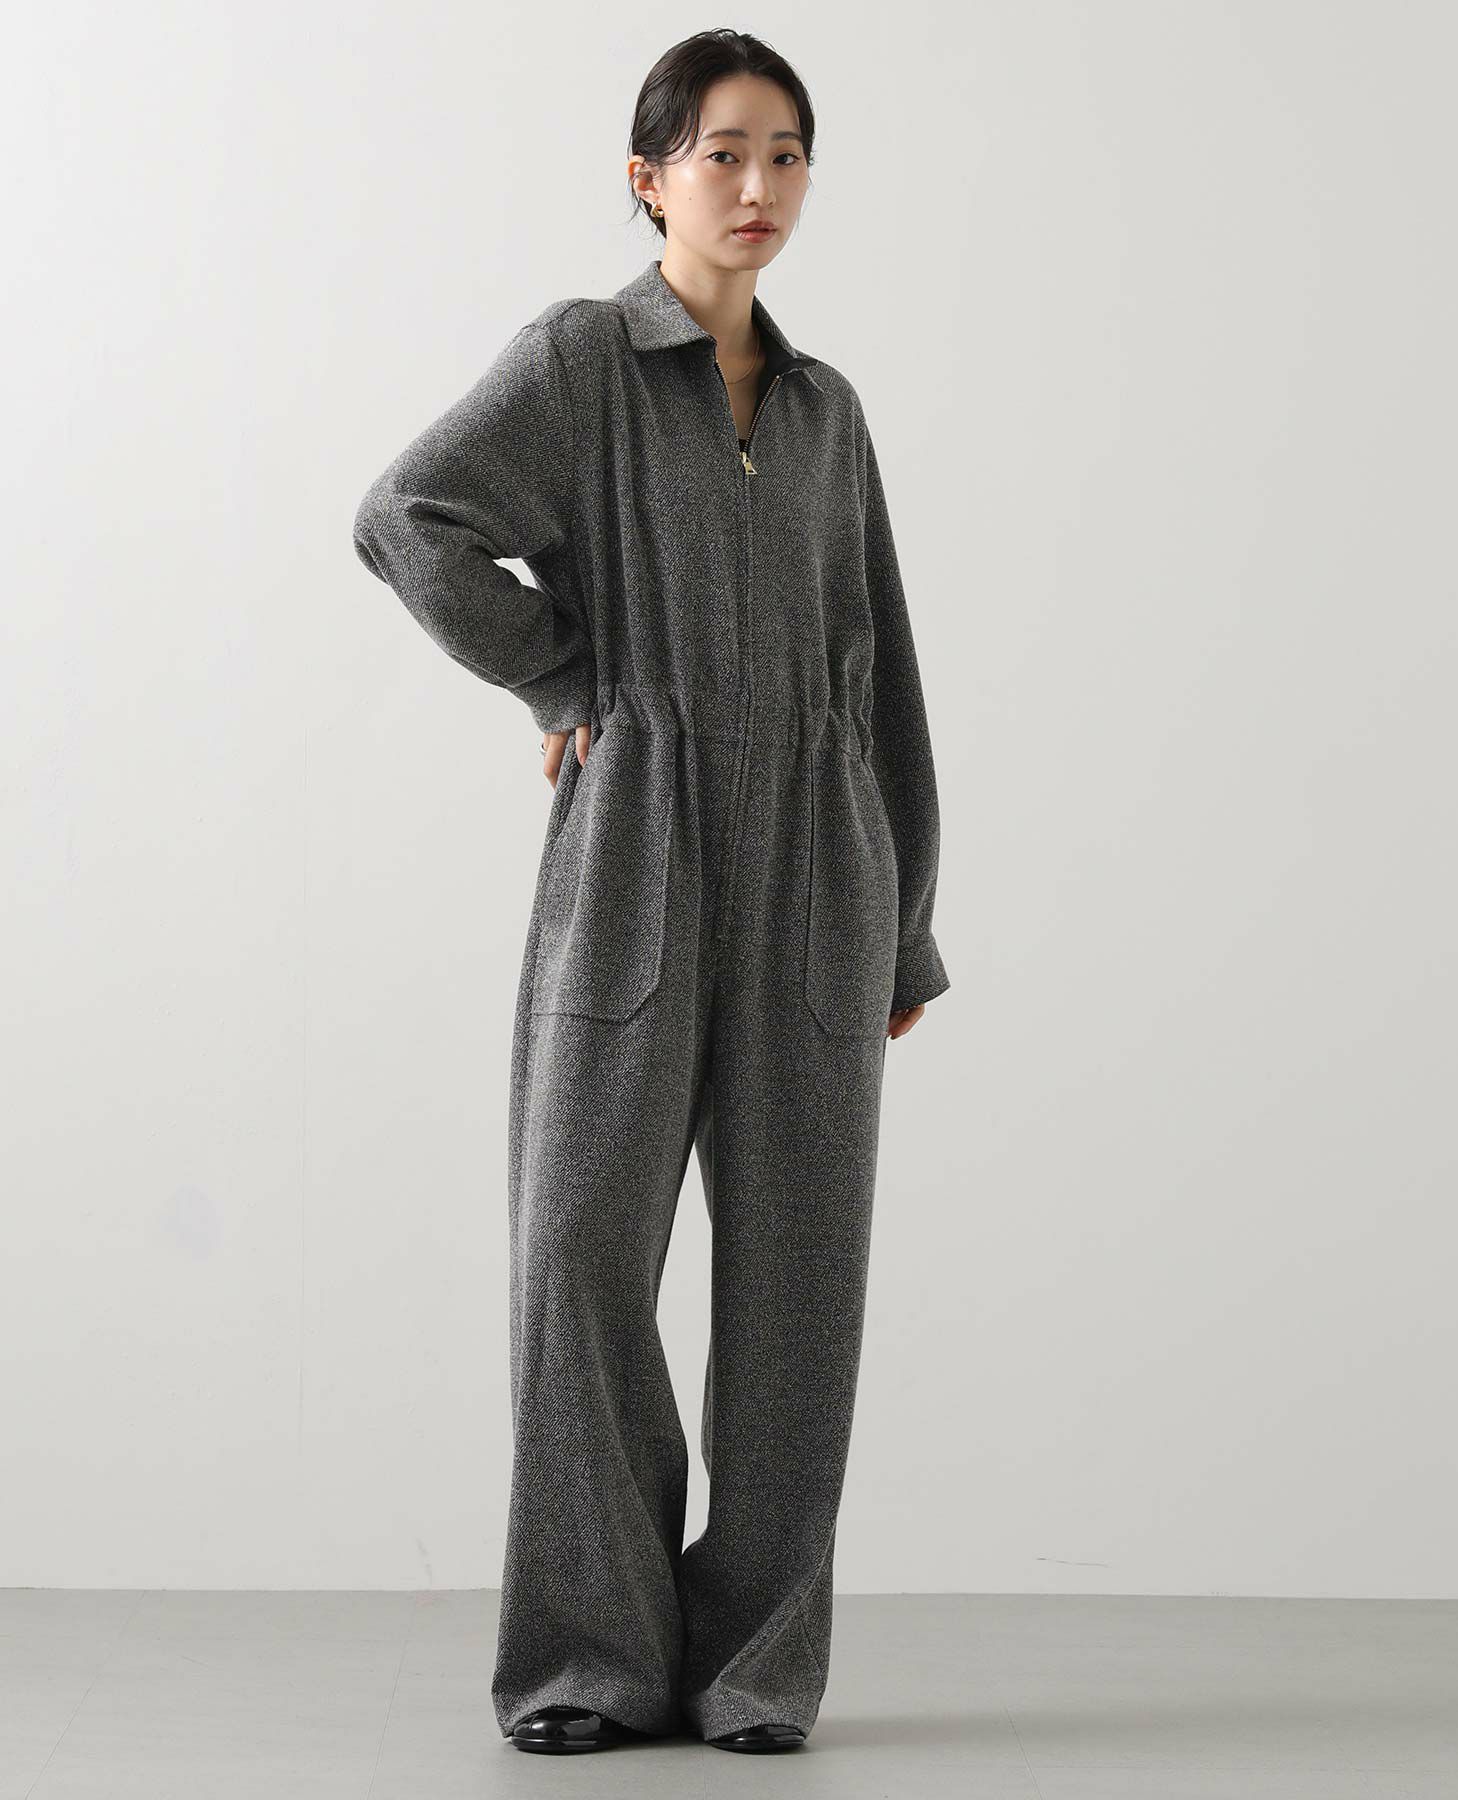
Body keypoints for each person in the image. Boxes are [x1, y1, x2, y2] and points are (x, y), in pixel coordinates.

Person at [351, 28, 950, 1758]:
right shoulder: (582, 362)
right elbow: (406, 518)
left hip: (821, 867)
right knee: (579, 1252)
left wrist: (908, 918)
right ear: (649, 177)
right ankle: (589, 1658)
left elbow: (885, 679)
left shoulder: (829, 413)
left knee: (797, 1284)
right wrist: (562, 677)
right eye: (721, 154)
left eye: (786, 155)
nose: (756, 187)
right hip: (637, 844)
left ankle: (755, 1667)